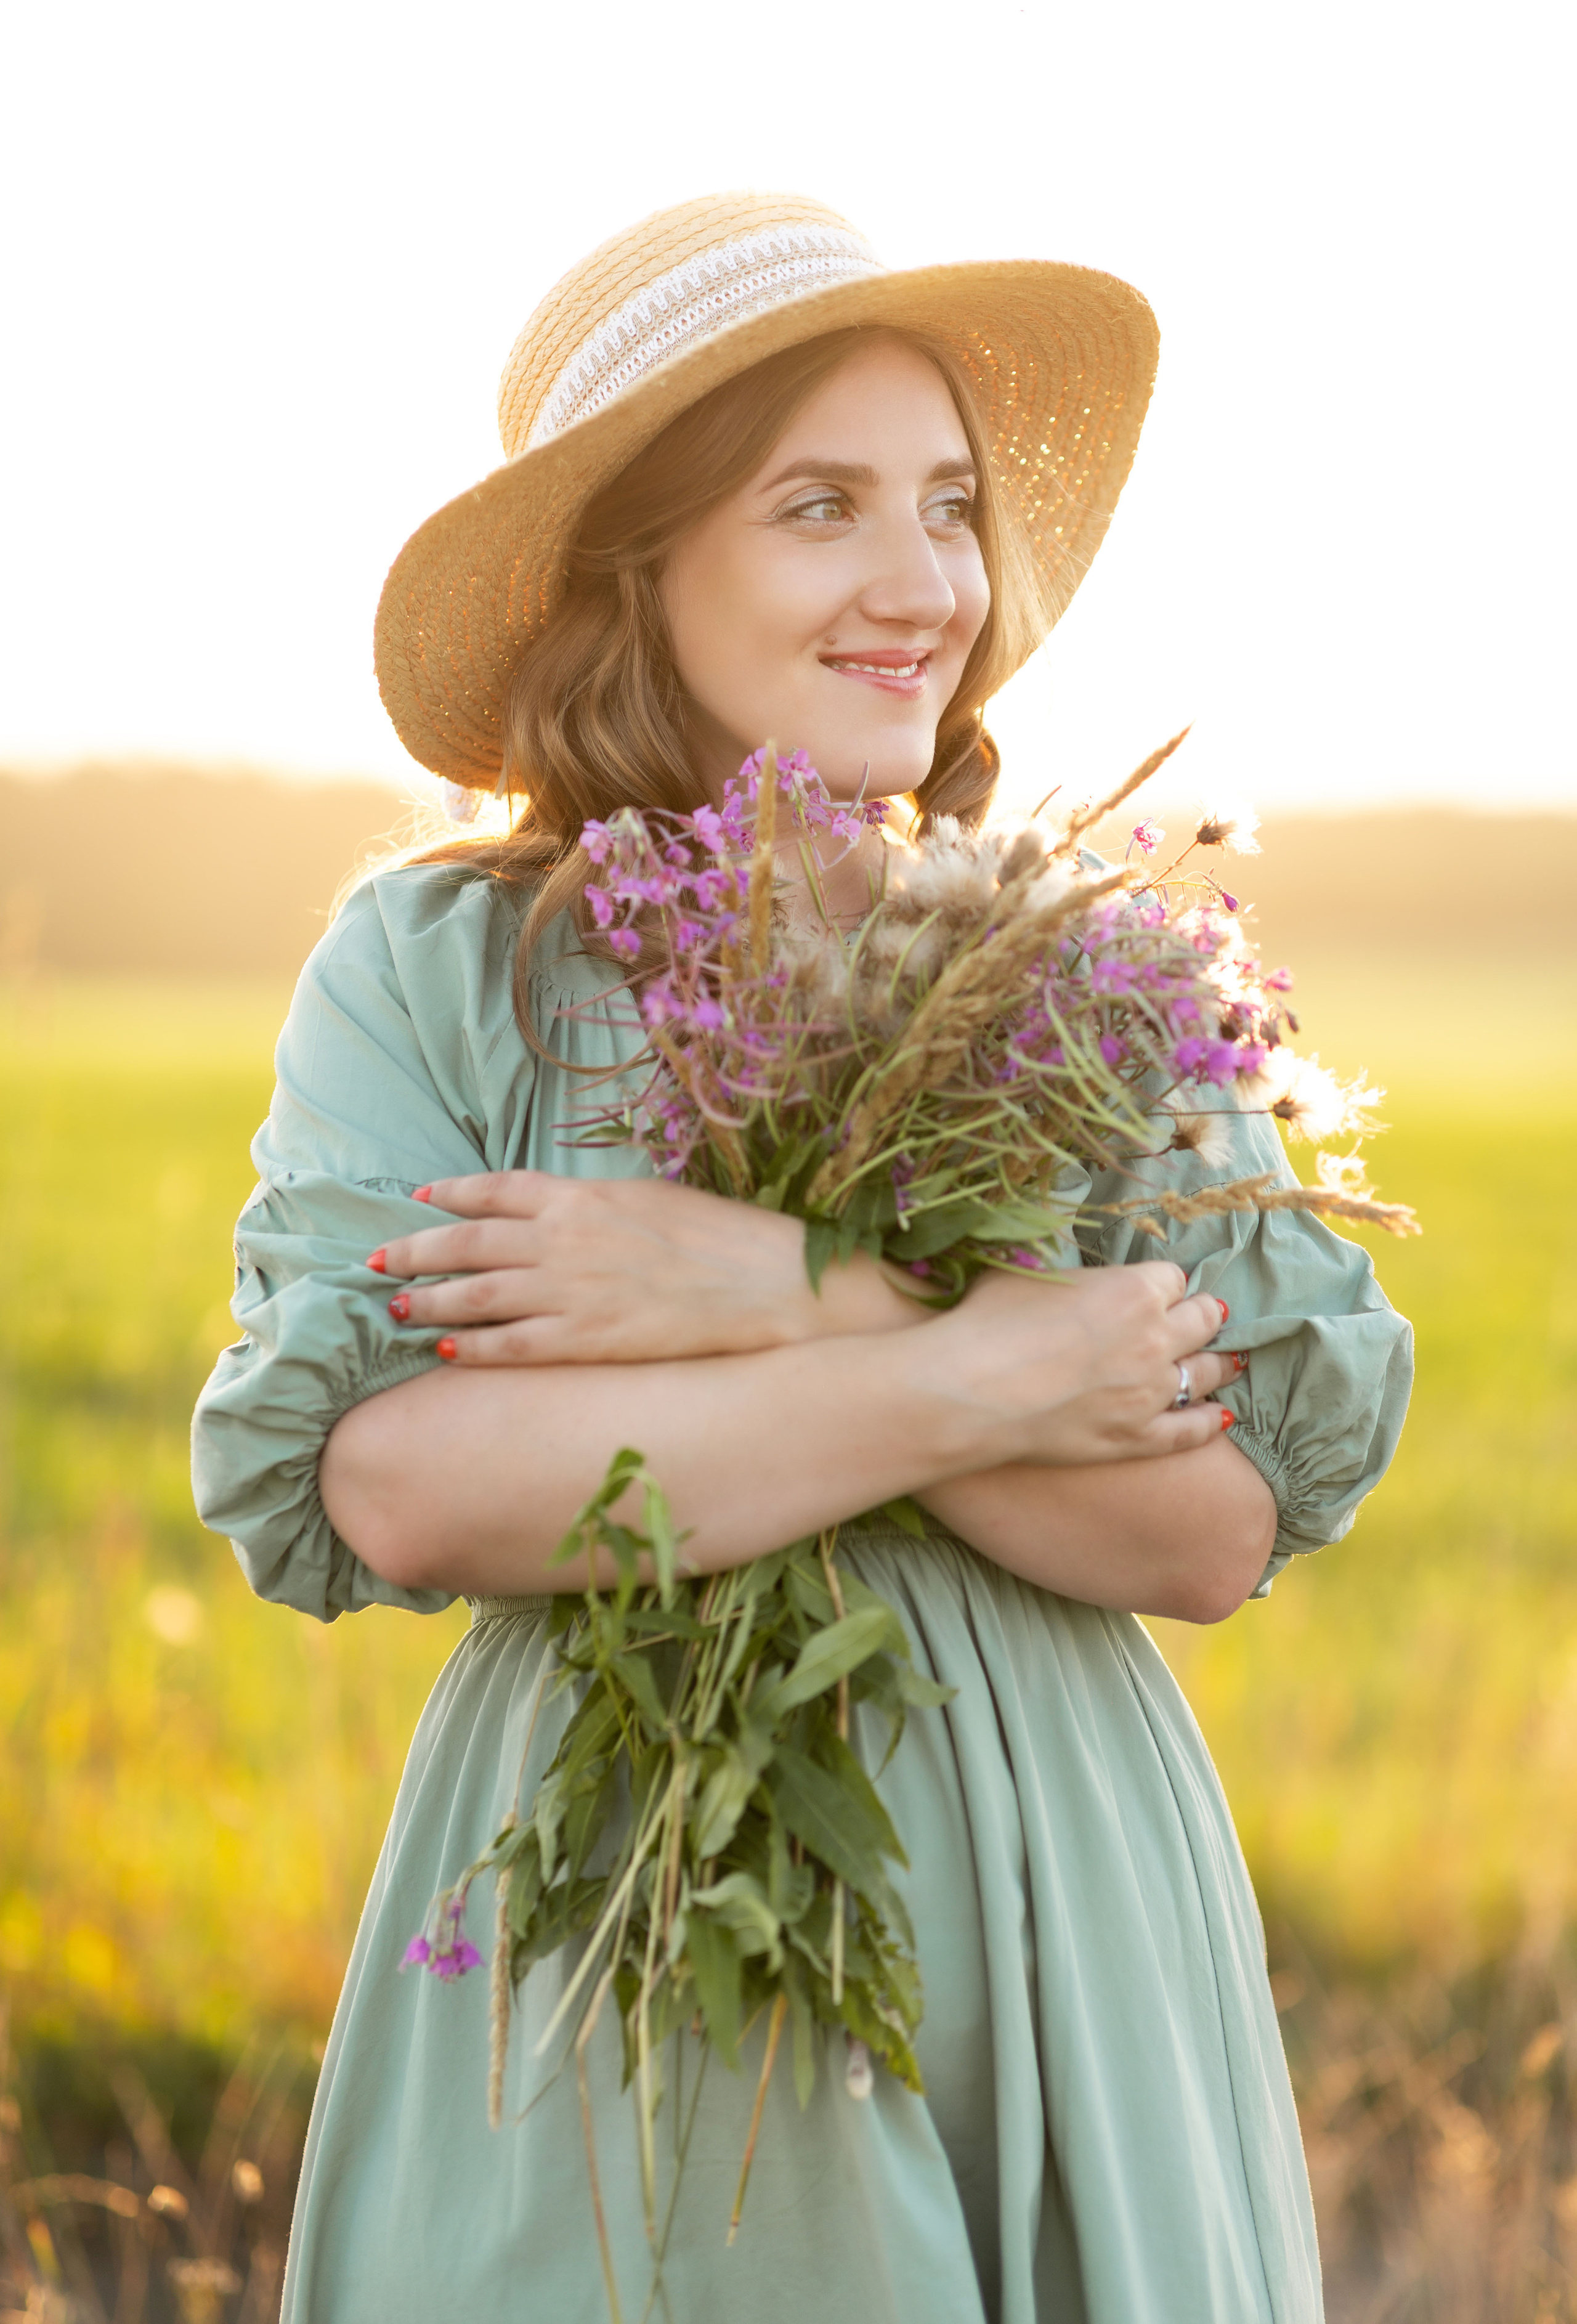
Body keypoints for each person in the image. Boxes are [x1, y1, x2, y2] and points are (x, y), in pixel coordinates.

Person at [193, 192, 1411, 2323]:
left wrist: (769, 1293)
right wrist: (983, 1372)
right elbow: (399, 1480)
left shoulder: (1098, 977)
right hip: (610, 1925)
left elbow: (1215, 1519)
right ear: (636, 563)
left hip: (1054, 1920)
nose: (922, 583)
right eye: (821, 506)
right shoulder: (447, 970)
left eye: (947, 505)